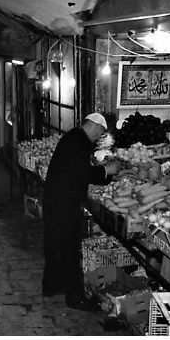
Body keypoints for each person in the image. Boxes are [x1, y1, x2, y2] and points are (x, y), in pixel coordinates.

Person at [41, 113, 121, 311]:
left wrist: (103, 175)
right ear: (94, 127)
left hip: (55, 199)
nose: (99, 137)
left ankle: (51, 285)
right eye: (100, 133)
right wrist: (106, 172)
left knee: (54, 243)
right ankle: (75, 297)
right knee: (68, 247)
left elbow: (75, 171)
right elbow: (80, 173)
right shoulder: (80, 142)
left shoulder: (73, 137)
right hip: (63, 202)